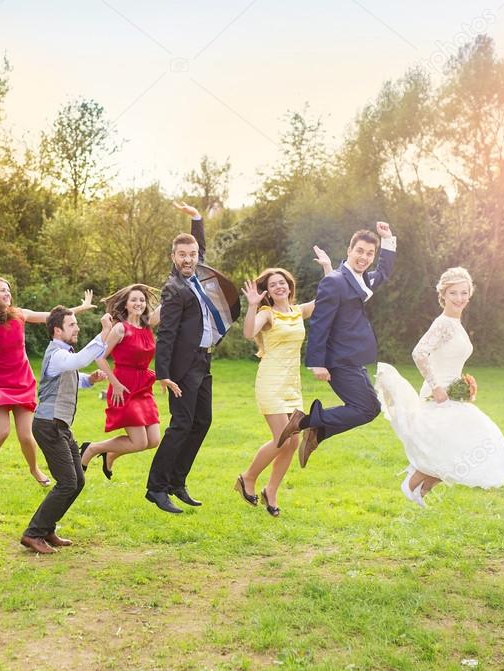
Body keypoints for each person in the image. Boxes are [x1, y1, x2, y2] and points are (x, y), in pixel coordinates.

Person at [375, 267, 504, 506]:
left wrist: (464, 385)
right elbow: (419, 353)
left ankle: (419, 491)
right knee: (455, 446)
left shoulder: (457, 324)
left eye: (464, 293)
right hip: (438, 394)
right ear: (443, 295)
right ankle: (412, 483)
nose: (459, 298)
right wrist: (436, 387)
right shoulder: (443, 324)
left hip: (453, 393)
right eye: (453, 293)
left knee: (461, 446)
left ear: (469, 295)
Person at [146, 202, 240, 514]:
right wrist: (163, 374)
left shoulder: (200, 275)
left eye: (192, 254)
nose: (188, 259)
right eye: (182, 255)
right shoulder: (173, 288)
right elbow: (167, 333)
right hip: (183, 368)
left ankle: (177, 481)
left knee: (202, 421)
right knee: (181, 424)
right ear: (173, 258)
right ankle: (156, 488)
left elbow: (199, 245)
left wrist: (197, 219)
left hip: (205, 362)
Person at [277, 222, 396, 468]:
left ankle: (317, 431)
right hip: (338, 361)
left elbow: (383, 272)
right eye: (360, 251)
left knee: (370, 407)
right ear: (349, 250)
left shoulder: (361, 280)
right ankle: (304, 423)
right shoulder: (335, 281)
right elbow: (320, 323)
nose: (364, 257)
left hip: (353, 360)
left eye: (369, 253)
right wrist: (317, 363)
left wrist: (388, 240)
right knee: (366, 408)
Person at [0, 277, 96, 498]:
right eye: (1, 291)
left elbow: (52, 317)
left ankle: (34, 469)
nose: (7, 293)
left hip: (22, 381)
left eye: (8, 289)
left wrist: (81, 308)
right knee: (2, 431)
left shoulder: (20, 314)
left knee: (26, 436)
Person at [236, 250, 332, 516]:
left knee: (292, 441)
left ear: (289, 287)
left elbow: (327, 297)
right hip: (271, 382)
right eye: (273, 284)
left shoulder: (297, 311)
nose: (279, 286)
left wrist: (327, 268)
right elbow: (248, 333)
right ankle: (248, 477)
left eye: (283, 282)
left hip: (292, 384)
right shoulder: (267, 314)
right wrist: (253, 305)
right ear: (267, 291)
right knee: (282, 438)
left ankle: (272, 490)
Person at [20, 307, 110, 554]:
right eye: (72, 325)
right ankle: (33, 533)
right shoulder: (57, 354)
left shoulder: (63, 355)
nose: (77, 328)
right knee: (68, 482)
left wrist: (89, 380)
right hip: (48, 426)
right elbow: (77, 361)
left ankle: (47, 528)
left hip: (60, 426)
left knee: (77, 480)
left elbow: (73, 373)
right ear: (57, 330)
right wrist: (103, 334)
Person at [79, 285, 162, 479]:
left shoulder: (147, 325)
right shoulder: (120, 328)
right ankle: (91, 448)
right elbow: (100, 357)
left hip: (143, 386)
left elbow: (167, 304)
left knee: (154, 440)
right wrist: (115, 383)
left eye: (142, 300)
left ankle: (110, 453)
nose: (138, 303)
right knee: (139, 442)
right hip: (123, 386)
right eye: (133, 300)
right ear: (125, 303)